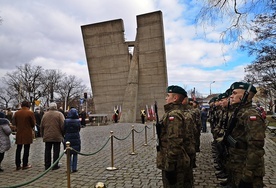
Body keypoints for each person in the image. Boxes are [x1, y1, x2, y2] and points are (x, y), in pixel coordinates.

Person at [226, 82, 266, 187]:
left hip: (247, 169)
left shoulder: (251, 116)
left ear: (245, 95)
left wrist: (248, 174)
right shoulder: (239, 112)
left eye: (234, 93)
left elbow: (256, 148)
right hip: (237, 164)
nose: (231, 96)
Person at [156, 85, 194, 187]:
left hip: (175, 164)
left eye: (168, 95)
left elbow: (175, 142)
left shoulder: (174, 115)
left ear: (175, 98)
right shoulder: (177, 113)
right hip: (178, 161)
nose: (166, 98)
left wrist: (170, 166)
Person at [40, 102, 65, 170]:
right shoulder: (59, 114)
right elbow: (63, 125)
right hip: (57, 135)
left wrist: (42, 134)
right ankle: (55, 165)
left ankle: (47, 165)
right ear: (56, 107)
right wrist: (63, 134)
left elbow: (41, 125)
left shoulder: (45, 115)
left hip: (47, 135)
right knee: (56, 150)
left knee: (47, 150)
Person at [12, 100, 36, 170]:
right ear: (28, 105)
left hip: (19, 132)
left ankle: (18, 164)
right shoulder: (30, 113)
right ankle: (25, 164)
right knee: (26, 148)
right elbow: (33, 123)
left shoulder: (16, 113)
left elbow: (14, 123)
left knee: (18, 149)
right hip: (27, 132)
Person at [64, 108, 81, 173]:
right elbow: (79, 129)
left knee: (69, 153)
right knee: (75, 153)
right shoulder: (78, 121)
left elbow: (64, 128)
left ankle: (69, 168)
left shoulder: (66, 121)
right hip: (76, 137)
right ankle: (74, 167)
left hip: (68, 137)